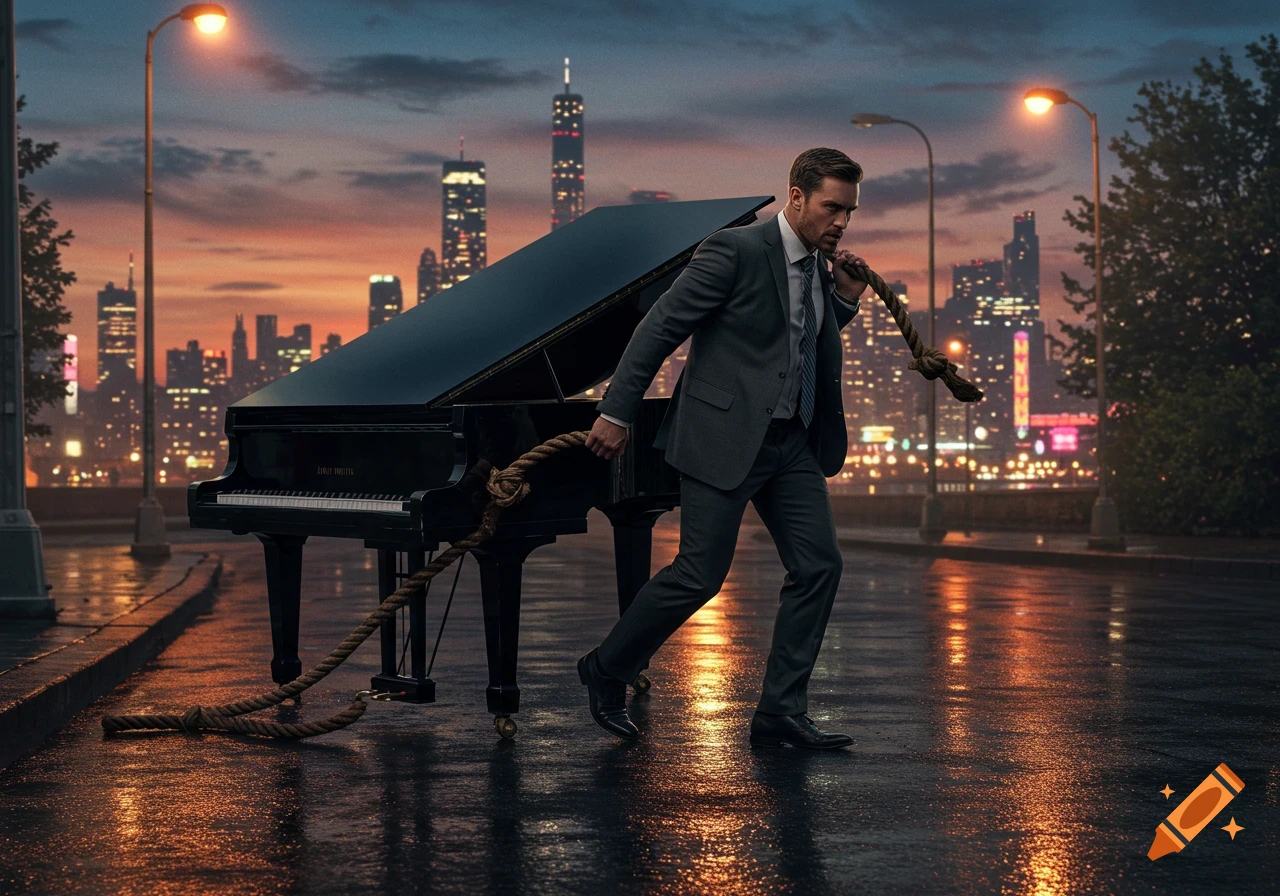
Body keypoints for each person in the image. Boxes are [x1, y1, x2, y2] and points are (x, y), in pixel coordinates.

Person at [579, 147, 871, 750]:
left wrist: (842, 301)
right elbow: (660, 327)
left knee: (819, 566)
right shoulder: (733, 251)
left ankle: (780, 712)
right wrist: (616, 410)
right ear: (796, 197)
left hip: (792, 442)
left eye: (849, 211)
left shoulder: (821, 268)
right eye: (832, 207)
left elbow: (790, 343)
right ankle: (606, 667)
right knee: (699, 575)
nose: (841, 222)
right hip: (723, 435)